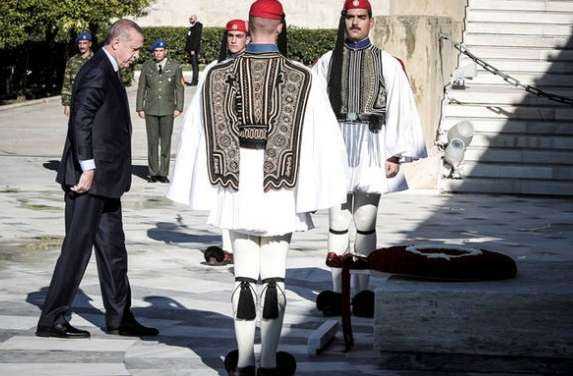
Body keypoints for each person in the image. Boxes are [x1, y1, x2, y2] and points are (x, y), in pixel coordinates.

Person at [167, 0, 347, 374]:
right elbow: (323, 140)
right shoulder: (303, 76)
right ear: (280, 27)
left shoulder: (217, 73)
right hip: (280, 185)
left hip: (235, 184)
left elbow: (195, 139)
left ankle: (245, 361)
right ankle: (268, 362)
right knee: (275, 274)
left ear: (248, 28)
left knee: (245, 274)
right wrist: (320, 190)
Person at [36, 19, 159, 339]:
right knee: (76, 250)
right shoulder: (95, 71)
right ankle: (52, 319)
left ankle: (120, 317)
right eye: (134, 48)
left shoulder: (108, 69)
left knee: (114, 250)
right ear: (117, 43)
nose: (136, 55)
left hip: (106, 181)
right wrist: (87, 168)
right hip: (88, 180)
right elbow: (81, 122)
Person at [313, 0, 427, 318]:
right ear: (343, 21)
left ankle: (362, 293)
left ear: (371, 22)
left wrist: (395, 154)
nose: (355, 23)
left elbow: (400, 107)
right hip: (338, 142)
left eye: (361, 17)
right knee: (337, 221)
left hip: (372, 143)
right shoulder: (327, 61)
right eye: (349, 17)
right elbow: (315, 109)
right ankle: (338, 292)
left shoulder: (388, 63)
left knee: (364, 222)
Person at [202, 19, 249, 266]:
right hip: (222, 141)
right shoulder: (215, 68)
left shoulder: (253, 66)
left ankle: (244, 244)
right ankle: (228, 247)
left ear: (248, 38)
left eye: (238, 36)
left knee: (243, 196)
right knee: (224, 195)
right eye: (230, 35)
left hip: (247, 141)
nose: (233, 40)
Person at [136, 38, 184, 183]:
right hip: (150, 108)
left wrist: (179, 107)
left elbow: (179, 88)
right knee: (152, 142)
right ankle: (153, 172)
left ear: (166, 51)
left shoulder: (175, 67)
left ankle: (163, 173)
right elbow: (141, 88)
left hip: (168, 108)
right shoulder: (147, 66)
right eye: (156, 51)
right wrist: (140, 107)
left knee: (166, 142)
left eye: (161, 50)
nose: (158, 53)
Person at [61, 32, 94, 117]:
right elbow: (67, 83)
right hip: (76, 102)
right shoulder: (72, 61)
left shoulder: (96, 60)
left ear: (90, 44)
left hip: (93, 102)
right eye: (80, 43)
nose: (82, 46)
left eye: (85, 43)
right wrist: (66, 104)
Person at [184, 14, 203, 86]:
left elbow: (196, 39)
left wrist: (193, 49)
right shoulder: (191, 27)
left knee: (195, 66)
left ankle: (194, 82)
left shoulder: (198, 26)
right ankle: (195, 81)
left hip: (193, 50)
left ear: (195, 19)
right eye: (189, 19)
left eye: (191, 19)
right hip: (190, 50)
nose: (190, 20)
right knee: (194, 66)